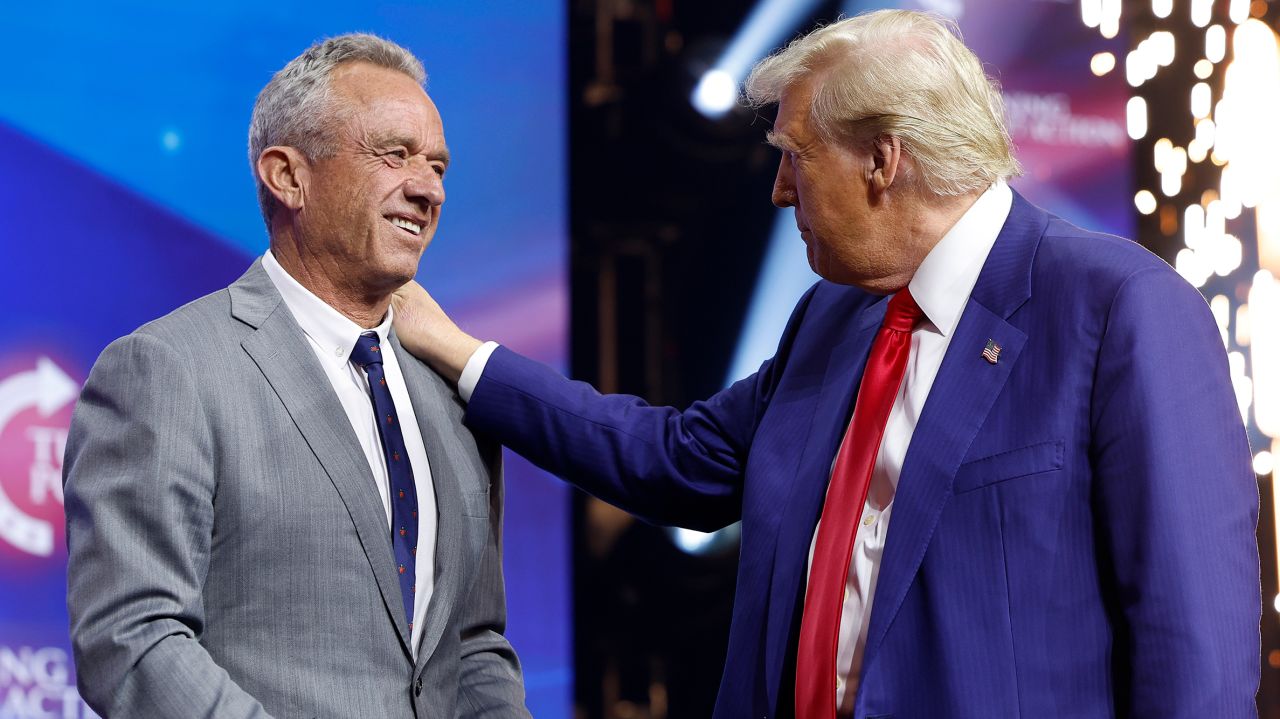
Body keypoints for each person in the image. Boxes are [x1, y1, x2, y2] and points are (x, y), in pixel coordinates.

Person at [391, 10, 1260, 719]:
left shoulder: (1117, 309)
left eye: (793, 157)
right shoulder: (834, 316)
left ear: (883, 159)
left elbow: (1198, 656)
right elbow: (673, 459)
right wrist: (461, 353)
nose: (777, 192)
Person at [63, 34, 530, 718]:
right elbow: (131, 640)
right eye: (394, 154)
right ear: (287, 175)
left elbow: (475, 644)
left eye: (437, 165)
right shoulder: (169, 369)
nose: (428, 188)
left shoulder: (449, 390)